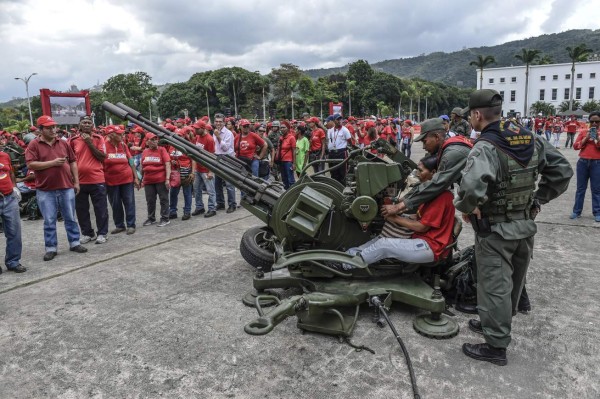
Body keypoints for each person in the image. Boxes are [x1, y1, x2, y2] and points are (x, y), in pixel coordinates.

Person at [455, 89, 573, 366]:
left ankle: (495, 347)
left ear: (475, 114)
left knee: (494, 284)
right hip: (524, 223)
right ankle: (493, 323)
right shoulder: (529, 137)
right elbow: (562, 172)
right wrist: (537, 199)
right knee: (513, 281)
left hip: (494, 228)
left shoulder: (486, 145)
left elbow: (471, 187)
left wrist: (468, 207)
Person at [345, 155, 455, 265]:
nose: (417, 174)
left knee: (384, 245)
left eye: (421, 171)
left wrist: (395, 218)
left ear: (433, 172)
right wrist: (400, 215)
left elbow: (422, 227)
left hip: (431, 246)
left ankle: (346, 265)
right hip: (421, 238)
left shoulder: (442, 197)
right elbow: (418, 217)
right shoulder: (430, 192)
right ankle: (348, 255)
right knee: (380, 239)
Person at [25, 115, 88, 261]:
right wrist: (53, 163)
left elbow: (73, 162)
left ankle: (75, 242)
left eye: (54, 126)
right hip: (45, 189)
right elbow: (30, 164)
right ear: (40, 130)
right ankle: (51, 248)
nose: (53, 129)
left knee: (70, 217)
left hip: (66, 186)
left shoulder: (63, 143)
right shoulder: (34, 145)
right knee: (49, 220)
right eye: (49, 127)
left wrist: (76, 182)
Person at [381, 118, 472, 216]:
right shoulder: (444, 149)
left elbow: (436, 184)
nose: (424, 147)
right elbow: (425, 184)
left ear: (436, 137)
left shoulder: (452, 153)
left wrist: (399, 206)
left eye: (425, 141)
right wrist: (401, 199)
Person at [69, 115, 109, 244]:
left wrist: (89, 143)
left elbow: (102, 157)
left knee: (101, 209)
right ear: (79, 125)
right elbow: (69, 159)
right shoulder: (73, 140)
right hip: (79, 181)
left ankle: (102, 233)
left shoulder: (98, 138)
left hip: (97, 180)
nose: (86, 124)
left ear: (92, 125)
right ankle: (87, 233)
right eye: (84, 122)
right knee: (81, 210)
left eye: (89, 123)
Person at [104, 125, 140, 235]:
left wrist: (136, 177)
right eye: (119, 133)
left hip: (126, 179)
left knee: (129, 202)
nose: (121, 135)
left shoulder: (123, 145)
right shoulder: (103, 146)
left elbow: (131, 161)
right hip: (111, 180)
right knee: (115, 204)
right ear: (111, 134)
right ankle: (119, 225)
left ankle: (131, 225)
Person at [570, 111, 600, 222]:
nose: (594, 124)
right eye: (592, 121)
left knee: (596, 190)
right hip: (583, 162)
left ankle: (597, 212)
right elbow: (576, 146)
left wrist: (597, 137)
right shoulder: (583, 132)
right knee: (580, 189)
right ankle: (577, 211)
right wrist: (586, 138)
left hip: (597, 163)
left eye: (597, 121)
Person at [0, 142, 25, 273]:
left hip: (9, 198)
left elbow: (11, 173)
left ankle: (13, 261)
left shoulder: (4, 155)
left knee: (14, 231)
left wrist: (14, 187)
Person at [141, 133, 171, 227]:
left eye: (155, 139)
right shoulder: (145, 151)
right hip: (148, 180)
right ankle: (151, 218)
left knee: (163, 199)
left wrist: (167, 179)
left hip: (160, 179)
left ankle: (165, 218)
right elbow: (142, 166)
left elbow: (167, 164)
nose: (155, 141)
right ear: (147, 142)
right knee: (150, 200)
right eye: (152, 140)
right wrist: (141, 179)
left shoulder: (162, 150)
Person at [192, 121, 217, 218]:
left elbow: (212, 157)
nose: (195, 130)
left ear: (203, 128)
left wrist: (211, 171)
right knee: (197, 189)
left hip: (206, 169)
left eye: (197, 129)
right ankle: (199, 207)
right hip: (198, 168)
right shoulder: (198, 137)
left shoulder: (209, 139)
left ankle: (212, 209)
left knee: (210, 190)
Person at [213, 113, 237, 213]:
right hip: (217, 158)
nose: (218, 123)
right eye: (216, 121)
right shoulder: (214, 132)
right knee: (217, 183)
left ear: (224, 122)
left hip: (227, 159)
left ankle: (232, 204)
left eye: (220, 122)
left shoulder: (228, 133)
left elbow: (226, 148)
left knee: (229, 184)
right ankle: (220, 203)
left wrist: (218, 137)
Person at [326, 114, 352, 184]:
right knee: (333, 172)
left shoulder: (345, 130)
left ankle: (343, 188)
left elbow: (350, 141)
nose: (339, 121)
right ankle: (335, 187)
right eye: (337, 119)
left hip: (342, 152)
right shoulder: (330, 131)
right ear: (334, 121)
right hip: (332, 153)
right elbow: (329, 141)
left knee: (342, 172)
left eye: (340, 119)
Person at [275, 121, 296, 189]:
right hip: (281, 161)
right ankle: (286, 193)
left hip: (288, 161)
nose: (282, 129)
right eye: (281, 128)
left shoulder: (291, 138)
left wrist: (294, 163)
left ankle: (293, 193)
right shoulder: (281, 138)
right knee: (284, 179)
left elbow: (294, 151)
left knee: (291, 179)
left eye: (284, 127)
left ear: (288, 128)